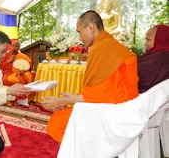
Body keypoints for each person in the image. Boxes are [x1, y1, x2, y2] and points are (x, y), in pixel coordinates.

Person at [42, 10, 139, 144]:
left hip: (113, 112)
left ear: (91, 28)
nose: (79, 37)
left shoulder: (102, 48)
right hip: (124, 107)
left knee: (56, 123)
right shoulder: (109, 45)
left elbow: (104, 96)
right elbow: (101, 90)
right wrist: (71, 100)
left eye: (79, 31)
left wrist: (62, 101)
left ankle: (88, 150)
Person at [0, 41, 33, 106]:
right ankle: (9, 100)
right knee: (6, 79)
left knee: (22, 79)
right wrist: (9, 61)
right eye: (13, 46)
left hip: (18, 72)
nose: (14, 47)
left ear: (19, 48)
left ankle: (17, 100)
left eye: (16, 46)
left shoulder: (22, 56)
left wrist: (23, 70)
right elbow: (1, 66)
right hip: (8, 72)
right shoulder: (6, 55)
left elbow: (29, 67)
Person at [137, 24, 169, 93]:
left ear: (160, 39)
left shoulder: (160, 58)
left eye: (148, 40)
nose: (145, 44)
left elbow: (134, 75)